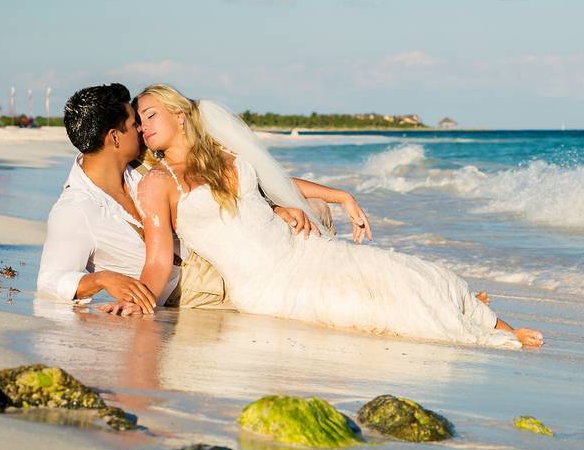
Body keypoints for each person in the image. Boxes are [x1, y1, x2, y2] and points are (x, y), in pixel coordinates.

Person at [133, 84, 544, 348]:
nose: (144, 126)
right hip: (270, 285)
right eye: (139, 121)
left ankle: (495, 323)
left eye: (151, 114)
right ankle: (487, 334)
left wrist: (341, 195)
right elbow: (156, 258)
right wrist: (136, 301)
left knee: (406, 270)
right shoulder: (159, 182)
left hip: (306, 250)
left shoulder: (227, 155)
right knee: (371, 310)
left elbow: (273, 181)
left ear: (180, 114)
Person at [37, 84, 369, 313]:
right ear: (113, 138)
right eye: (133, 123)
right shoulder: (75, 209)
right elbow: (50, 280)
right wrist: (102, 279)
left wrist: (273, 208)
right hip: (193, 286)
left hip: (218, 248)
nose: (141, 129)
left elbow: (225, 183)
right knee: (316, 289)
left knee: (312, 212)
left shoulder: (140, 167)